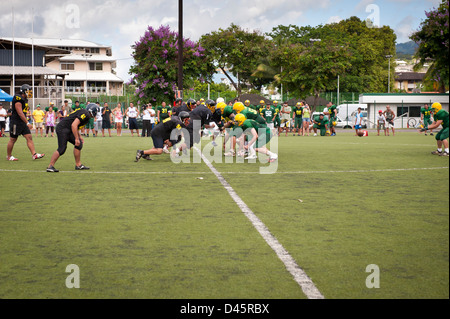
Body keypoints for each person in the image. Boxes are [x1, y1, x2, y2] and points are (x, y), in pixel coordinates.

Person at [46, 104, 99, 172]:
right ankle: (50, 166)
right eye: (96, 112)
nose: (96, 113)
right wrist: (76, 138)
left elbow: (75, 126)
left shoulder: (85, 113)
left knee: (78, 145)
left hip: (68, 129)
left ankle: (78, 165)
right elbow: (74, 125)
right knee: (62, 148)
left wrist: (79, 136)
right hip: (63, 128)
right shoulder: (86, 114)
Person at [6, 84, 44, 161]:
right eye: (29, 91)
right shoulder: (18, 98)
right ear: (24, 91)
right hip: (16, 122)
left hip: (22, 122)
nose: (30, 93)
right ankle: (9, 156)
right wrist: (27, 123)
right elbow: (20, 113)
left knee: (29, 137)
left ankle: (34, 154)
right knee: (13, 139)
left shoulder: (25, 99)